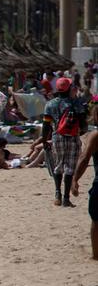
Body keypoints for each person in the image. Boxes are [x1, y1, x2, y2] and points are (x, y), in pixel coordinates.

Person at [42, 76, 87, 207]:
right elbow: (83, 123)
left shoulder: (50, 104)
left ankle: (57, 194)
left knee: (58, 165)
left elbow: (46, 125)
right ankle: (66, 199)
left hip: (57, 137)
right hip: (73, 137)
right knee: (69, 167)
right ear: (69, 89)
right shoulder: (76, 103)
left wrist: (45, 140)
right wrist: (82, 132)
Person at [70, 127, 98, 260]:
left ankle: (96, 255)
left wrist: (75, 179)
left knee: (97, 221)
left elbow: (85, 157)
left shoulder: (95, 135)